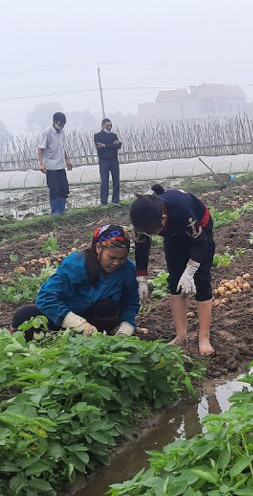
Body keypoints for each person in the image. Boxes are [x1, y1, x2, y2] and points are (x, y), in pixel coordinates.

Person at [11, 224, 138, 339]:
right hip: (65, 317)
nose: (116, 263)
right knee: (24, 315)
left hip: (97, 324)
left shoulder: (127, 269)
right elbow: (46, 297)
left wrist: (126, 326)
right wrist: (75, 322)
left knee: (107, 306)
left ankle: (101, 338)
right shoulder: (76, 263)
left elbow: (130, 303)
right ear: (99, 248)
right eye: (112, 257)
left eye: (122, 258)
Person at [131, 184, 215, 356]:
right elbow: (141, 244)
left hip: (201, 232)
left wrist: (190, 270)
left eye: (153, 232)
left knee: (201, 280)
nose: (151, 234)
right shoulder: (143, 219)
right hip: (174, 236)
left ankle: (203, 338)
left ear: (163, 218)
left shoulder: (181, 210)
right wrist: (141, 278)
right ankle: (181, 335)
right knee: (175, 280)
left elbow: (201, 241)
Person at [37, 112, 73, 215]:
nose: (62, 126)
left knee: (64, 188)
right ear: (56, 122)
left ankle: (61, 211)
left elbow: (62, 148)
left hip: (61, 165)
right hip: (51, 165)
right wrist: (41, 164)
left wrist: (67, 160)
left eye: (63, 124)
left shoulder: (62, 133)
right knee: (54, 189)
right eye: (61, 124)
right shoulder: (47, 132)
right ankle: (55, 212)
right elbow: (40, 148)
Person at [94, 118, 122, 205]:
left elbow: (118, 146)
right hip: (103, 161)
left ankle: (115, 200)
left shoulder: (114, 135)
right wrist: (111, 145)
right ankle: (103, 202)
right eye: (107, 125)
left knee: (116, 180)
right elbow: (100, 148)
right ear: (103, 125)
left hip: (114, 160)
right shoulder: (97, 136)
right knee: (104, 181)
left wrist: (105, 145)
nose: (109, 127)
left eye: (110, 125)